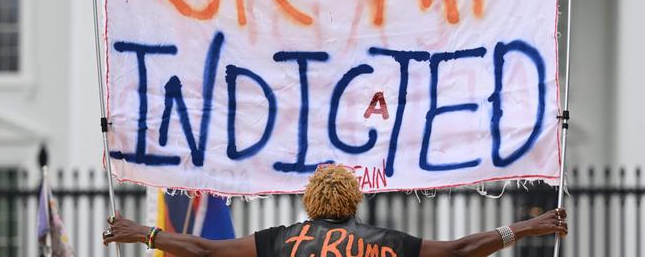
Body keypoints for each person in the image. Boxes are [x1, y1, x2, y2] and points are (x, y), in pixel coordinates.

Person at [103, 165, 568, 256]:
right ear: (355, 199)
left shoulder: (279, 242)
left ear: (310, 201)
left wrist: (141, 233)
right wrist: (526, 227)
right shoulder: (389, 244)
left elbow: (203, 248)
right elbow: (463, 248)